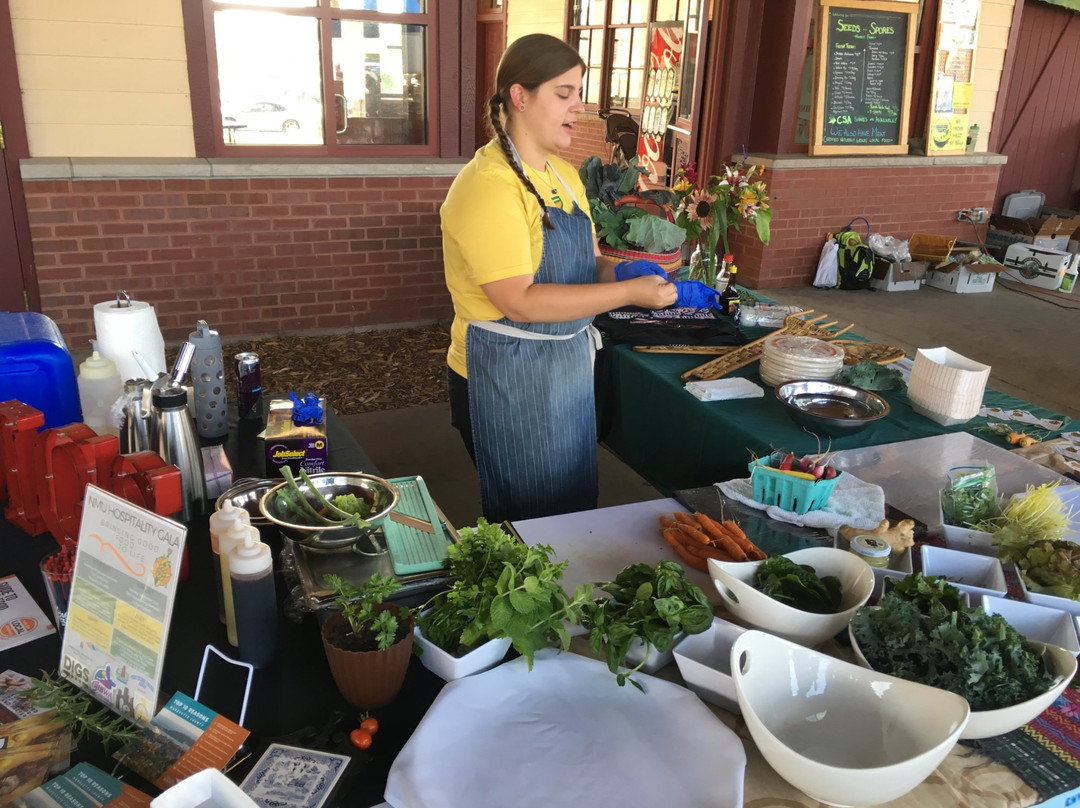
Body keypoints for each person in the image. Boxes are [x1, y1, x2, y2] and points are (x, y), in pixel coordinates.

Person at [442, 34, 713, 524]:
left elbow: (588, 265)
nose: (579, 107)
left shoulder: (565, 176)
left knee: (570, 507)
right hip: (504, 377)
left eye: (579, 92)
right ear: (519, 97)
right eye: (563, 93)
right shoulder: (489, 187)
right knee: (529, 526)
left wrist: (625, 270)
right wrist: (628, 293)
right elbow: (519, 301)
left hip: (564, 368)